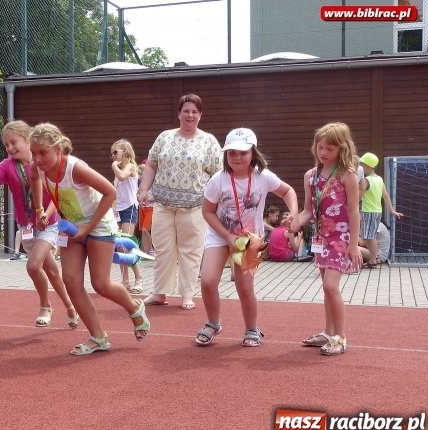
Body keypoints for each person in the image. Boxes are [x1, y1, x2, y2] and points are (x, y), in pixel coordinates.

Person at [29, 122, 149, 355]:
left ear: (59, 149)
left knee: (100, 284)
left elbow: (110, 192)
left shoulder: (76, 168)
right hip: (71, 226)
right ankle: (98, 337)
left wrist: (88, 226)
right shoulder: (37, 168)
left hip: (99, 224)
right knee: (72, 282)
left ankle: (135, 308)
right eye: (34, 153)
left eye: (43, 152)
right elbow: (35, 179)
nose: (38, 158)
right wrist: (39, 211)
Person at [0, 120, 77, 328]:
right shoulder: (7, 165)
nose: (10, 148)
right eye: (6, 145)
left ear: (27, 140)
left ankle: (45, 306)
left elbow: (56, 193)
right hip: (26, 226)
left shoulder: (42, 163)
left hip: (49, 224)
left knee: (33, 267)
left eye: (13, 142)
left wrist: (46, 213)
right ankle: (70, 307)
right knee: (51, 271)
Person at [196, 128, 299, 347]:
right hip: (220, 235)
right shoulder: (218, 179)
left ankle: (252, 328)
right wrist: (227, 236)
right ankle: (213, 323)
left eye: (242, 152)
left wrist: (293, 213)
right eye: (231, 152)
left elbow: (288, 191)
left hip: (251, 239)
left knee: (244, 287)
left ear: (253, 153)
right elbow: (207, 211)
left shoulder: (263, 176)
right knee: (207, 280)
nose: (236, 157)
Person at [138, 93, 222, 309]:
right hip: (163, 205)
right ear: (178, 113)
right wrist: (143, 189)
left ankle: (187, 294)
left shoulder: (209, 141)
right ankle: (159, 292)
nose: (190, 115)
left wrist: (216, 202)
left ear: (200, 115)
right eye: (186, 111)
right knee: (163, 249)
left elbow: (218, 174)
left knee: (191, 251)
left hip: (195, 207)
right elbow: (151, 164)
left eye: (194, 112)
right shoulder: (165, 137)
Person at [298, 122, 363, 356]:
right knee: (326, 289)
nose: (323, 153)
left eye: (330, 149)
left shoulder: (348, 176)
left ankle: (340, 337)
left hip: (340, 238)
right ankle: (328, 332)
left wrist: (354, 245)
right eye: (320, 147)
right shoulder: (311, 176)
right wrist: (295, 222)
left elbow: (355, 211)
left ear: (342, 149)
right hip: (321, 238)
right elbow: (307, 210)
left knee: (330, 286)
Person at [110, 139, 144, 294]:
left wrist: (114, 166)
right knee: (119, 245)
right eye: (112, 153)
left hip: (130, 209)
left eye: (116, 152)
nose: (113, 156)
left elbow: (123, 177)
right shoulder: (118, 170)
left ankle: (139, 278)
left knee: (127, 244)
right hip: (119, 210)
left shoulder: (129, 166)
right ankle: (125, 280)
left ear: (125, 152)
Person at [358, 152, 402, 268]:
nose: (360, 167)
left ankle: (373, 260)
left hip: (368, 210)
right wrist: (392, 210)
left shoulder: (366, 180)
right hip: (377, 211)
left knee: (368, 237)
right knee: (369, 236)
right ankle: (373, 258)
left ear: (367, 166)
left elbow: (359, 195)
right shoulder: (379, 179)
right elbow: (386, 196)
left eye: (361, 164)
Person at [137, 160, 154, 256]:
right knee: (142, 231)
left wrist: (147, 200)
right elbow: (137, 193)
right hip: (142, 208)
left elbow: (156, 198)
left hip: (150, 208)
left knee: (145, 229)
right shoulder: (142, 185)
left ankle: (151, 249)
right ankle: (145, 250)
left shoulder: (153, 185)